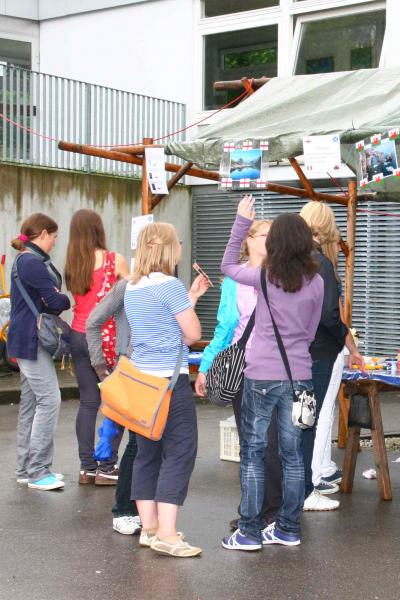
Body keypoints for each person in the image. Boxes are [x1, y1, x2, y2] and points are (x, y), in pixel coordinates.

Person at [221, 196, 323, 551]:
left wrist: (239, 223)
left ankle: (249, 532)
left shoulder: (263, 277)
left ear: (276, 242)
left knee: (253, 452)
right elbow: (310, 333)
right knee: (293, 456)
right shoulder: (317, 281)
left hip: (262, 375)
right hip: (300, 378)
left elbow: (227, 267)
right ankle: (287, 527)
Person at [125, 222, 209, 557]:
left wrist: (189, 298)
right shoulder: (170, 285)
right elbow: (190, 333)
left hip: (141, 381)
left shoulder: (132, 286)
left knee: (147, 454)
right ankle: (169, 534)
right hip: (170, 384)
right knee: (180, 451)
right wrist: (188, 302)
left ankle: (150, 528)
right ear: (169, 249)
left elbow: (158, 325)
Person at [194, 219, 284, 530]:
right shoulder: (234, 280)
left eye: (274, 236)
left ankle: (274, 510)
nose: (270, 240)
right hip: (242, 369)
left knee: (272, 442)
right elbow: (224, 328)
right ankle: (253, 510)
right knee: (250, 443)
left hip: (274, 369)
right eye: (264, 235)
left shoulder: (283, 275)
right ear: (247, 240)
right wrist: (205, 367)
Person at [299, 200, 364, 509]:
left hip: (295, 351)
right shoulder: (320, 262)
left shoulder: (291, 259)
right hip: (320, 352)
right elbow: (329, 315)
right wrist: (348, 342)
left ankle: (296, 486)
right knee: (310, 419)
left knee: (297, 419)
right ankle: (307, 488)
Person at [64, 208, 129, 486]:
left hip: (78, 336)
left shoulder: (72, 265)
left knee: (89, 403)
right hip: (107, 340)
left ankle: (86, 467)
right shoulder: (115, 260)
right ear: (98, 229)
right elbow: (132, 293)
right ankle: (107, 465)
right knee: (118, 404)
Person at [8, 214, 71, 491]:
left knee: (31, 404)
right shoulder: (32, 262)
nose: (56, 242)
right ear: (43, 234)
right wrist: (69, 298)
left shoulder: (24, 259)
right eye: (55, 237)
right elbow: (56, 301)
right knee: (50, 400)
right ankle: (37, 471)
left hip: (26, 339)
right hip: (32, 340)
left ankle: (26, 468)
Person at [86, 278, 140, 534]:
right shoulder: (126, 286)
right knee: (136, 442)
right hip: (129, 370)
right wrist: (100, 367)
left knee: (149, 444)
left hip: (160, 373)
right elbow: (93, 321)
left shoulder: (170, 284)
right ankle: (125, 510)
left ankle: (142, 510)